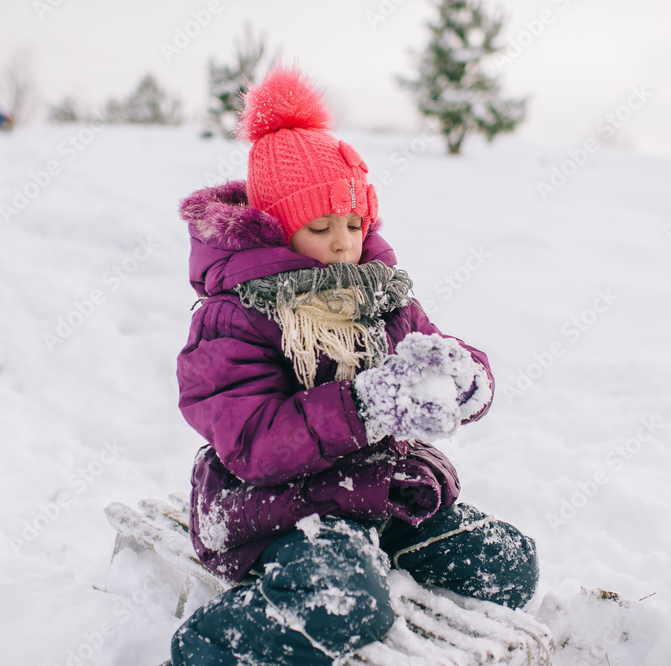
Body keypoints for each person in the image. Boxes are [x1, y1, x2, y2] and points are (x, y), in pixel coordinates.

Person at [171, 65, 538, 665]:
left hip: (374, 487)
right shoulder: (236, 317)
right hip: (278, 508)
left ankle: (372, 555)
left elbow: (431, 347)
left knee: (507, 563)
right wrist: (368, 404)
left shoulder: (377, 291)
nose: (344, 242)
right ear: (277, 229)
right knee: (346, 603)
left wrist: (464, 378)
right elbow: (255, 444)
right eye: (320, 227)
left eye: (354, 222)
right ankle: (203, 651)